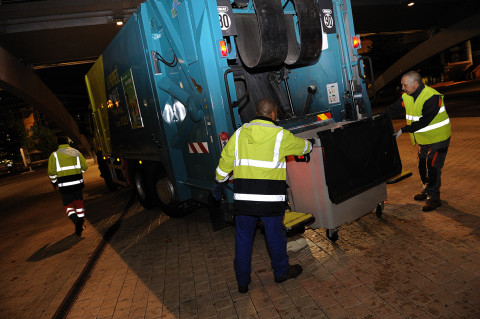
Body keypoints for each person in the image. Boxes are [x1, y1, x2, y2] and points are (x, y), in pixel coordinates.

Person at [214, 98, 313, 293]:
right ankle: (281, 272)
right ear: (274, 113)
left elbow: (225, 161)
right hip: (271, 202)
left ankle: (242, 282)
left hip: (244, 201)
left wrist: (218, 182)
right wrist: (309, 145)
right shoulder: (280, 135)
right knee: (275, 236)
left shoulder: (240, 133)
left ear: (258, 112)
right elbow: (303, 147)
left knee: (243, 239)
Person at [385, 71, 451, 212]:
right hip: (424, 139)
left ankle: (434, 198)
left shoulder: (432, 97)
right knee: (422, 164)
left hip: (439, 138)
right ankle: (426, 190)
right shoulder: (406, 96)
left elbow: (424, 122)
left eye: (404, 85)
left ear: (415, 84)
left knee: (432, 166)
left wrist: (403, 130)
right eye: (402, 85)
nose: (402, 88)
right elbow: (392, 110)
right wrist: (377, 119)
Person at [48, 137, 89, 235]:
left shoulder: (54, 155)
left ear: (58, 144)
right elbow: (85, 167)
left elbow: (51, 172)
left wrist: (54, 182)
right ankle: (81, 221)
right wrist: (78, 173)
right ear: (67, 143)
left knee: (68, 206)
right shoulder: (76, 152)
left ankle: (76, 220)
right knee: (79, 204)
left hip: (64, 186)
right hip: (77, 184)